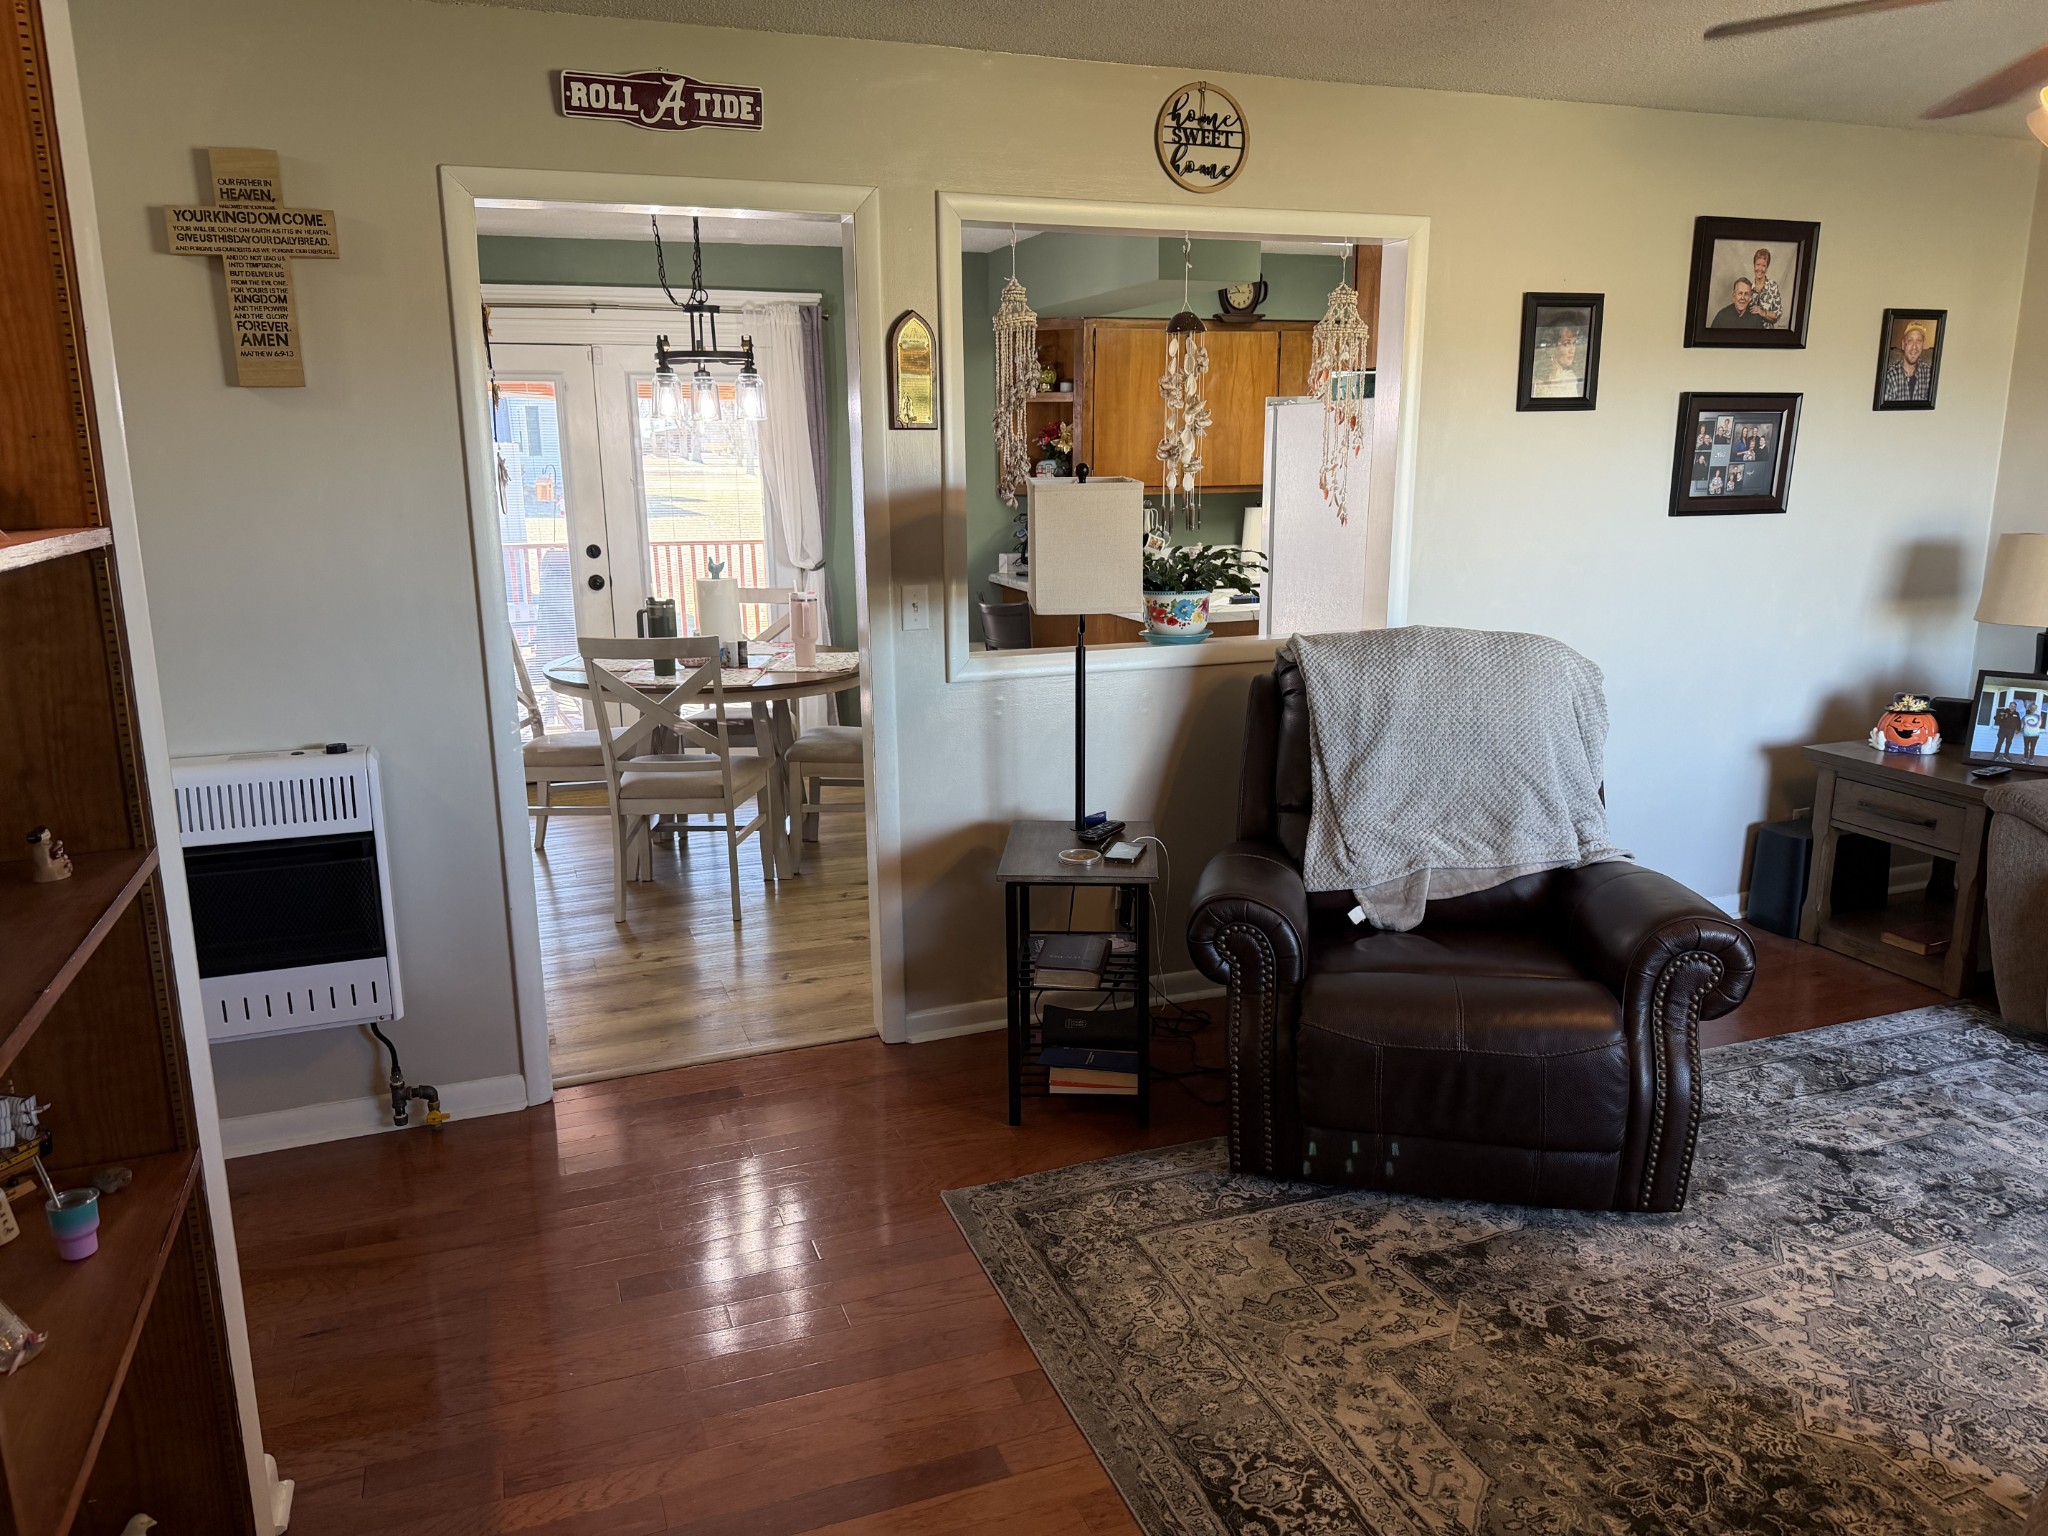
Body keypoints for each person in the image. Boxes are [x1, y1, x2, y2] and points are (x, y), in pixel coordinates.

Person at [1881, 324, 1937, 403]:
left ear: (1923, 345)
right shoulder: (1890, 376)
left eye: (1919, 341)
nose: (1914, 347)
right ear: (1903, 345)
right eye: (1910, 340)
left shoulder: (1930, 375)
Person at [1529, 324, 1586, 399]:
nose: (1572, 350)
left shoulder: (1571, 380)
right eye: (1566, 344)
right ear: (1552, 347)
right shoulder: (1538, 381)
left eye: (1574, 343)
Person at [1749, 248, 1784, 328]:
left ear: (1767, 267)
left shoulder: (1773, 286)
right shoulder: (1749, 287)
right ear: (1754, 265)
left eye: (1763, 266)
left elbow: (1777, 314)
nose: (1760, 269)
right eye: (1758, 265)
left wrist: (1762, 312)